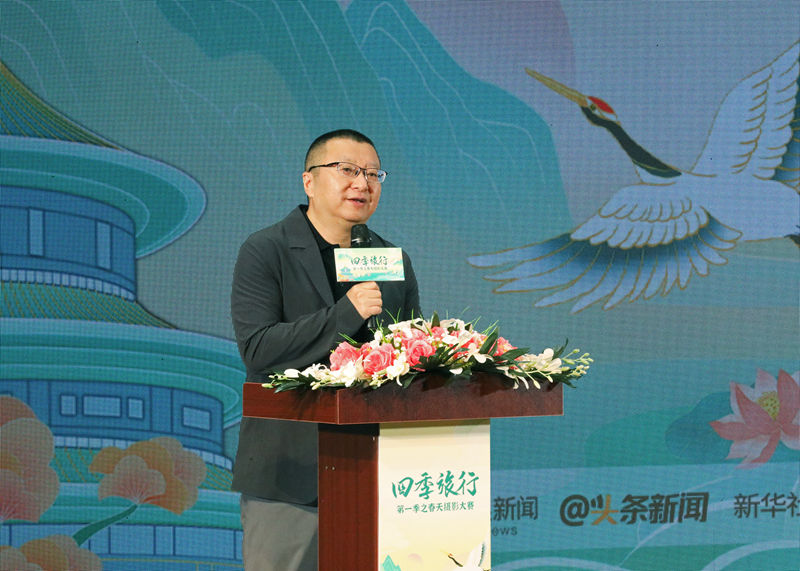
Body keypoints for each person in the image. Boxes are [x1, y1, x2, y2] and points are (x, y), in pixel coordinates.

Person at [230, 129, 421, 570]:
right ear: (309, 181)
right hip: (290, 475)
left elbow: (407, 355)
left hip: (378, 470)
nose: (362, 183)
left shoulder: (391, 258)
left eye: (373, 174)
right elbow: (258, 349)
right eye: (347, 170)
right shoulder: (267, 250)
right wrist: (345, 313)